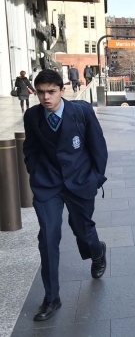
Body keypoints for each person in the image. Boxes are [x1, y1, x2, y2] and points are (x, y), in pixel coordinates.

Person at [23, 69, 108, 321]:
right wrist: (34, 173)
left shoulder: (81, 112)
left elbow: (98, 148)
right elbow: (31, 148)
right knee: (48, 238)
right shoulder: (32, 116)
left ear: (62, 90)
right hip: (47, 185)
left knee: (82, 229)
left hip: (80, 182)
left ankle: (97, 251)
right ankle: (51, 298)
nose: (46, 98)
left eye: (51, 91)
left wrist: (95, 179)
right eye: (41, 93)